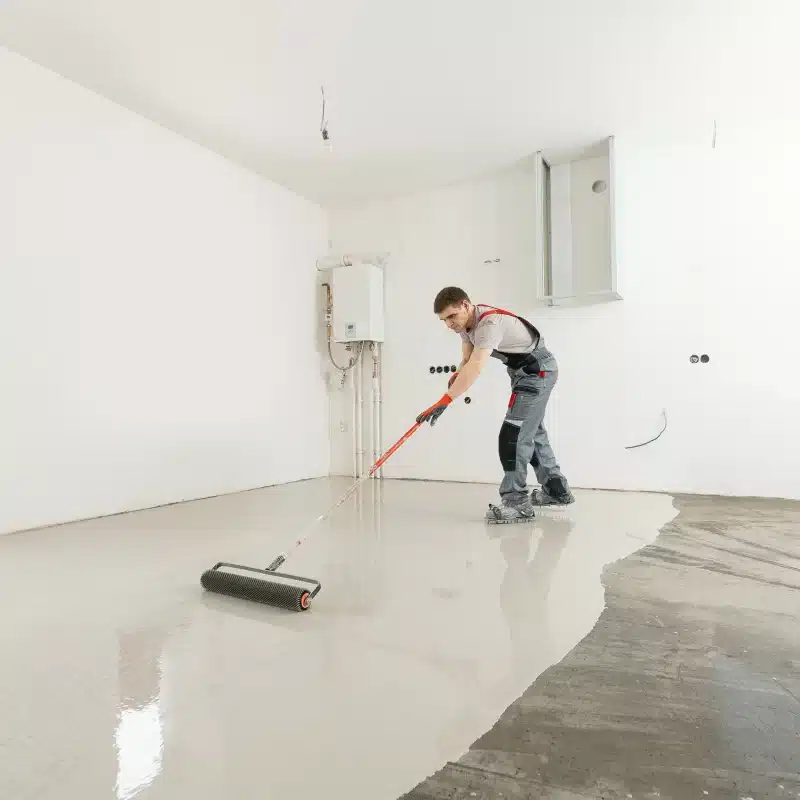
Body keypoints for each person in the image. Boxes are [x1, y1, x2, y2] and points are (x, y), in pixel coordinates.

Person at [416, 286, 574, 523]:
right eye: (444, 320)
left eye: (452, 316)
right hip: (524, 374)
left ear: (466, 305)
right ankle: (556, 490)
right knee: (532, 433)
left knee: (514, 435)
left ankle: (516, 502)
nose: (449, 324)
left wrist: (445, 400)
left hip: (536, 373)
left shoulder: (489, 325)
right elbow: (467, 361)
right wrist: (457, 377)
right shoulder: (466, 325)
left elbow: (476, 367)